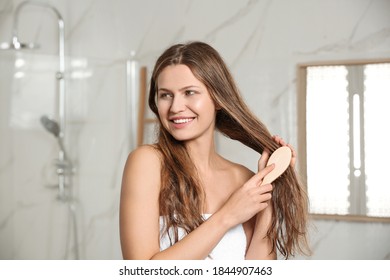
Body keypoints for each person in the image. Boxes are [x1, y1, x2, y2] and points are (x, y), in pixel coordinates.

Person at [119, 41, 310, 260]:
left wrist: (268, 187)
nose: (175, 107)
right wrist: (228, 215)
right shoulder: (147, 163)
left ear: (217, 99)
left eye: (189, 92)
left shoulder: (242, 178)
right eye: (166, 95)